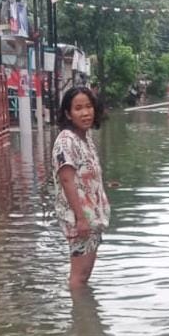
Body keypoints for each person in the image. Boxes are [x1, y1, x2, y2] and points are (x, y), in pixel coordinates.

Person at [52, 87, 110, 287]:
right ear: (68, 113)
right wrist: (80, 218)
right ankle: (80, 316)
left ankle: (86, 315)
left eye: (88, 107)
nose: (85, 113)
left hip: (91, 215)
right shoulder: (66, 141)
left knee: (85, 275)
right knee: (79, 276)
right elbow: (67, 180)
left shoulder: (85, 138)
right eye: (78, 108)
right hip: (79, 218)